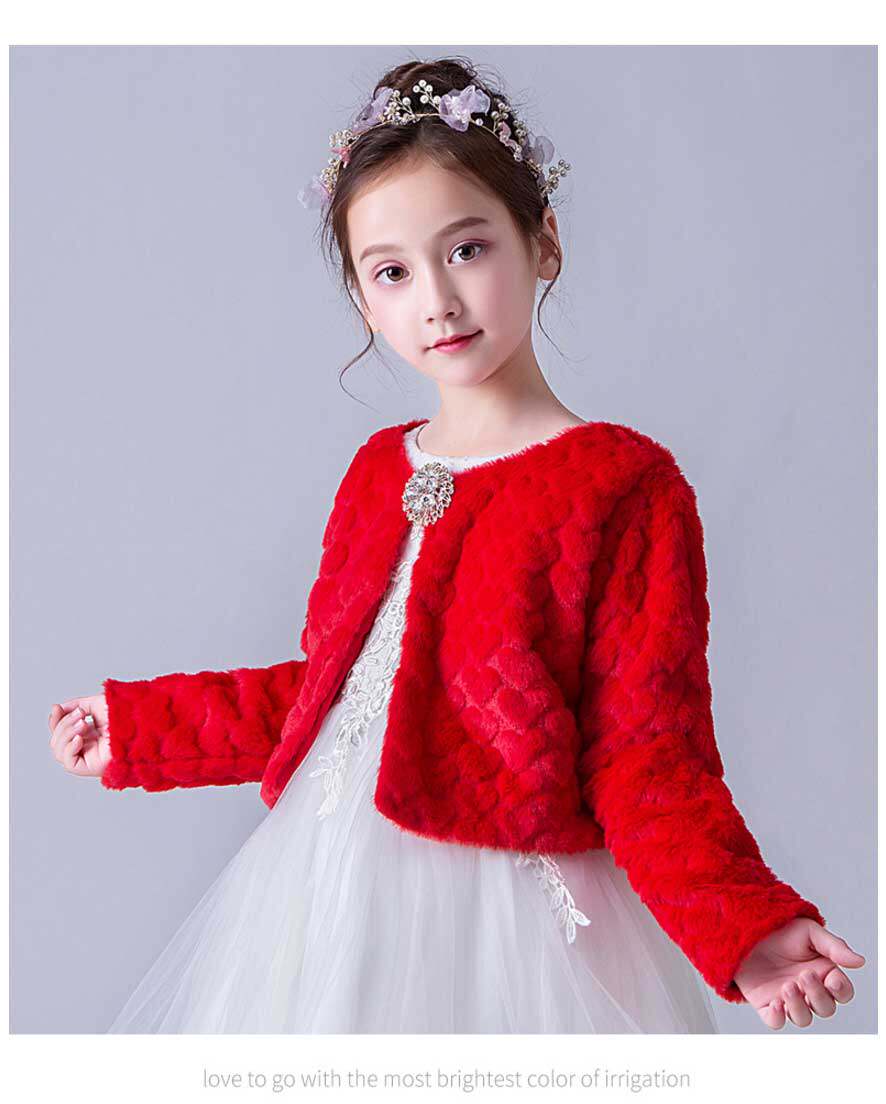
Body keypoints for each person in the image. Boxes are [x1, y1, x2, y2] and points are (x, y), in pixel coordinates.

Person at [47, 55, 864, 1034]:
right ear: (364, 300)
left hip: (516, 925)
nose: (435, 297)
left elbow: (648, 753)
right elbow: (333, 697)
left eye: (467, 249)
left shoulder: (621, 485)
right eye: (391, 272)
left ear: (543, 241)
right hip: (331, 899)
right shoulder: (374, 473)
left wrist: (744, 927)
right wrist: (142, 727)